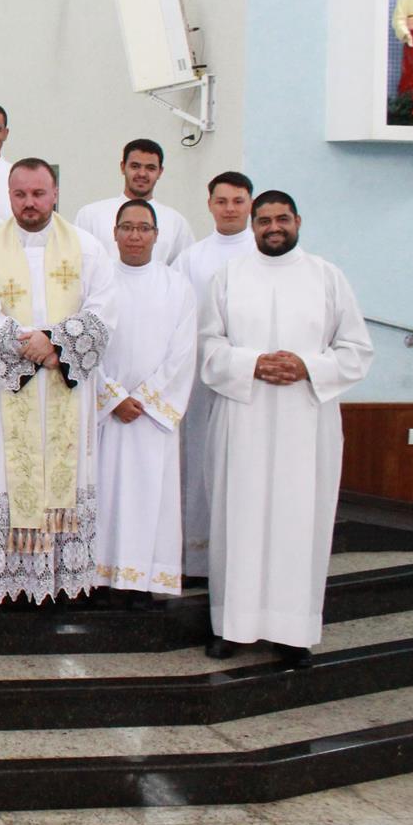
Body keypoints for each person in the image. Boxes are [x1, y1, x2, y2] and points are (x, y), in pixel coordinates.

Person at [201, 191, 372, 666]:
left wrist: (307, 366)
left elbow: (357, 349)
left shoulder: (327, 277)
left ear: (297, 220)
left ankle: (292, 633)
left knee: (299, 523)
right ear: (253, 226)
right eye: (264, 220)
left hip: (306, 421)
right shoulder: (229, 276)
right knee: (239, 519)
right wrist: (252, 363)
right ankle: (232, 627)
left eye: (282, 219)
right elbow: (208, 345)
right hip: (244, 418)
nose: (273, 227)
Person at [0, 159, 118, 604]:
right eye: (20, 194)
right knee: (6, 474)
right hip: (11, 385)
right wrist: (36, 348)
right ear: (9, 195)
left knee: (62, 475)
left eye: (38, 193)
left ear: (55, 193)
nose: (29, 203)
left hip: (65, 386)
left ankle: (61, 579)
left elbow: (104, 310)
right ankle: (5, 579)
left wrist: (56, 344)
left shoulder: (87, 248)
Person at [92, 200, 197, 607]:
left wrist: (145, 399)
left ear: (156, 235)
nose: (134, 236)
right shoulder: (96, 283)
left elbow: (182, 352)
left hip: (151, 419)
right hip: (105, 416)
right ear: (114, 233)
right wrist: (113, 397)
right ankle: (98, 578)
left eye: (143, 228)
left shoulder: (177, 287)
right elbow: (84, 345)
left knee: (148, 499)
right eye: (127, 227)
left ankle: (140, 580)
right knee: (102, 497)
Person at [172, 170, 255, 579]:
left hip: (252, 380)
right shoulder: (192, 258)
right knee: (200, 463)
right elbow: (176, 312)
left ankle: (244, 559)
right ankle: (198, 559)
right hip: (201, 378)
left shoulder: (263, 254)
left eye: (238, 201)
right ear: (209, 205)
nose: (230, 209)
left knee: (247, 467)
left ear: (250, 204)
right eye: (221, 201)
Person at [73, 138, 195, 265]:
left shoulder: (176, 223)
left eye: (150, 168)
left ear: (160, 172)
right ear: (122, 167)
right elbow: (77, 263)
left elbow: (184, 269)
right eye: (135, 166)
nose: (142, 174)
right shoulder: (90, 215)